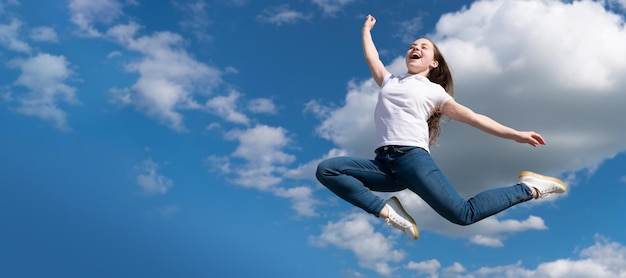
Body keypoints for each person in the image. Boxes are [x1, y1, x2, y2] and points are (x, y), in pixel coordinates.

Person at [315, 14, 567, 240]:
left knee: (463, 215)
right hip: (384, 165)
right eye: (412, 46)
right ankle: (387, 211)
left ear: (433, 63)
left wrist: (515, 134)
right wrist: (366, 31)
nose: (415, 48)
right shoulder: (390, 81)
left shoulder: (434, 91)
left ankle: (531, 188)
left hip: (412, 159)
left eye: (423, 47)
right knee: (328, 170)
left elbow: (472, 117)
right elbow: (373, 59)